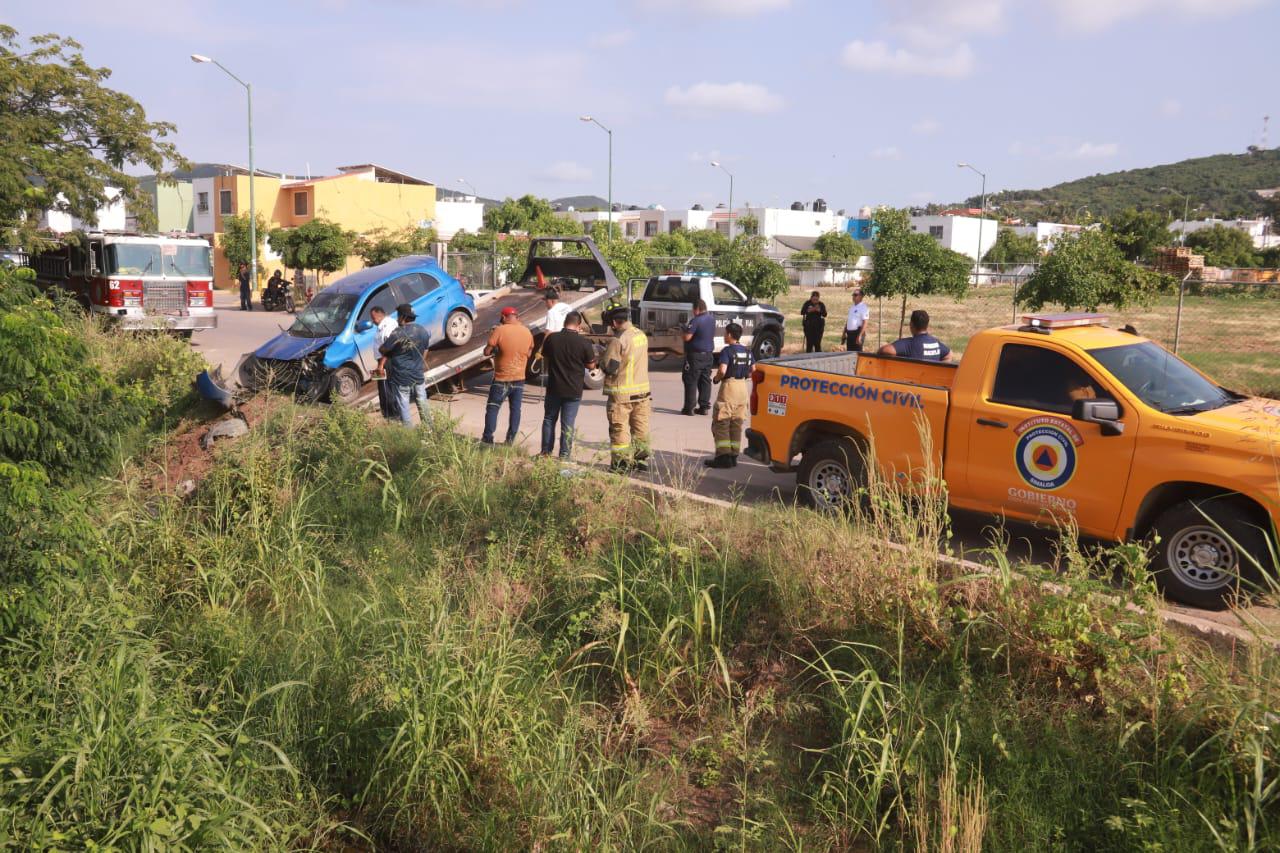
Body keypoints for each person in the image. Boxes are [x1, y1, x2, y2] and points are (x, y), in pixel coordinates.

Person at [540, 311, 597, 459]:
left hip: (554, 387)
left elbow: (545, 357)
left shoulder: (552, 339)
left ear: (564, 322)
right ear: (578, 326)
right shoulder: (584, 343)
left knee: (549, 419)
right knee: (568, 423)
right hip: (573, 389)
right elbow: (591, 366)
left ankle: (545, 452)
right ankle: (564, 455)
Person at [601, 305, 651, 472]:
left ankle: (621, 464)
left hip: (622, 393)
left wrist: (602, 355)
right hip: (642, 392)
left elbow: (610, 366)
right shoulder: (640, 335)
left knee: (619, 428)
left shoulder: (618, 339)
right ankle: (641, 461)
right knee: (640, 427)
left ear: (615, 322)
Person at [704, 322, 753, 468]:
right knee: (736, 424)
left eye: (725, 333)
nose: (724, 336)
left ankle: (723, 457)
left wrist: (716, 379)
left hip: (729, 388)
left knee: (722, 423)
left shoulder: (727, 351)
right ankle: (733, 456)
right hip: (743, 388)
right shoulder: (748, 352)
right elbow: (753, 370)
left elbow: (723, 370)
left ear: (730, 335)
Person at [482, 306, 534, 445]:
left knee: (493, 407)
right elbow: (529, 353)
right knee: (515, 410)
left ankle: (488, 439)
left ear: (504, 317)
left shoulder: (500, 330)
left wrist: (496, 348)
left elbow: (487, 352)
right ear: (517, 317)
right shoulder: (527, 332)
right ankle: (510, 440)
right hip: (519, 378)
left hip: (501, 378)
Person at [378, 303, 432, 426]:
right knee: (422, 402)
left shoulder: (397, 333)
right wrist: (418, 364)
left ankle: (409, 433)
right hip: (418, 375)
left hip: (401, 377)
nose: (397, 319)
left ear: (403, 317)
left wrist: (391, 349)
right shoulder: (423, 330)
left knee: (403, 404)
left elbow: (383, 350)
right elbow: (426, 350)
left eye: (398, 316)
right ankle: (429, 430)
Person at [681, 299, 715, 415]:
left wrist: (684, 330)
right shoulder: (711, 319)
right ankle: (704, 407)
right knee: (705, 381)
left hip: (695, 356)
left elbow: (687, 337)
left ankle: (689, 408)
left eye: (693, 310)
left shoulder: (695, 320)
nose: (693, 312)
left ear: (697, 309)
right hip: (708, 355)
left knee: (691, 380)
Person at [879, 309, 951, 362]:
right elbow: (949, 355)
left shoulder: (909, 344)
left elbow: (886, 350)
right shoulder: (936, 343)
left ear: (911, 325)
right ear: (927, 325)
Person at [370, 305, 400, 421]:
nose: (372, 321)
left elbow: (390, 347)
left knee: (388, 389)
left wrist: (381, 364)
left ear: (379, 314)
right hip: (382, 361)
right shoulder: (381, 326)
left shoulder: (388, 325)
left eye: (373, 318)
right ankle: (387, 415)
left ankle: (393, 416)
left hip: (387, 361)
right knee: (382, 388)